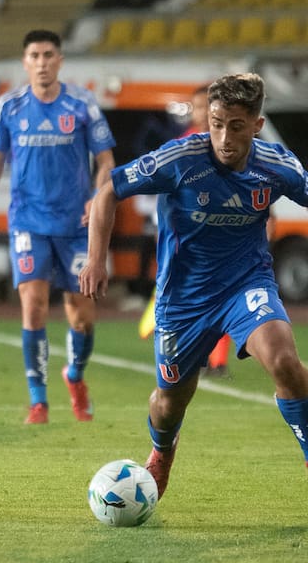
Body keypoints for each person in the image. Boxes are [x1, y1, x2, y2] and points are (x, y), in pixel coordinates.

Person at [80, 73, 308, 499]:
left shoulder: (277, 165)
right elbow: (109, 190)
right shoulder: (181, 159)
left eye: (235, 126)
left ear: (256, 125)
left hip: (246, 285)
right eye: (216, 123)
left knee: (283, 362)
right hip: (183, 299)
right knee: (169, 403)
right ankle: (162, 452)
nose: (223, 136)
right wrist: (96, 259)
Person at [0, 29, 116, 424]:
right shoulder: (10, 106)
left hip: (75, 225)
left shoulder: (83, 105)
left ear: (60, 60)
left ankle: (74, 375)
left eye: (48, 54)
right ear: (25, 62)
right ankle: (39, 400)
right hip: (28, 223)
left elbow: (106, 160)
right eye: (34, 55)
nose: (42, 62)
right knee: (33, 307)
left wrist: (97, 195)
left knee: (81, 314)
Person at [136, 85, 233, 378]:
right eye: (199, 107)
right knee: (190, 296)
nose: (204, 113)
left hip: (223, 234)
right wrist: (160, 228)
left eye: (209, 107)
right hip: (187, 236)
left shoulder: (233, 145)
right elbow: (164, 192)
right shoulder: (181, 145)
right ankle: (186, 349)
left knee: (223, 294)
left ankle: (218, 362)